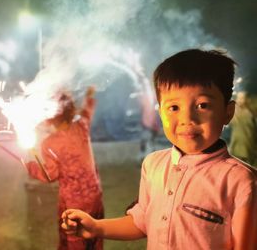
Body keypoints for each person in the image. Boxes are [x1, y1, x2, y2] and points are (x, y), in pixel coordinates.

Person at [61, 49, 257, 249]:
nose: (187, 119)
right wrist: (96, 227)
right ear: (160, 113)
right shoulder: (153, 165)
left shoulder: (242, 182)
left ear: (227, 112)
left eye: (202, 105)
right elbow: (142, 221)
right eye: (174, 108)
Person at [25, 86, 104, 250]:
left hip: (73, 204)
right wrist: (89, 94)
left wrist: (30, 166)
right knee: (95, 237)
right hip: (95, 196)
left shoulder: (50, 143)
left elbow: (50, 175)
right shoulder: (81, 125)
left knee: (75, 241)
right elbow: (87, 111)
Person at [229, 91, 257, 166]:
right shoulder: (235, 112)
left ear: (247, 99)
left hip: (249, 148)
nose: (240, 100)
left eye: (243, 98)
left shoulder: (251, 111)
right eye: (239, 98)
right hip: (237, 149)